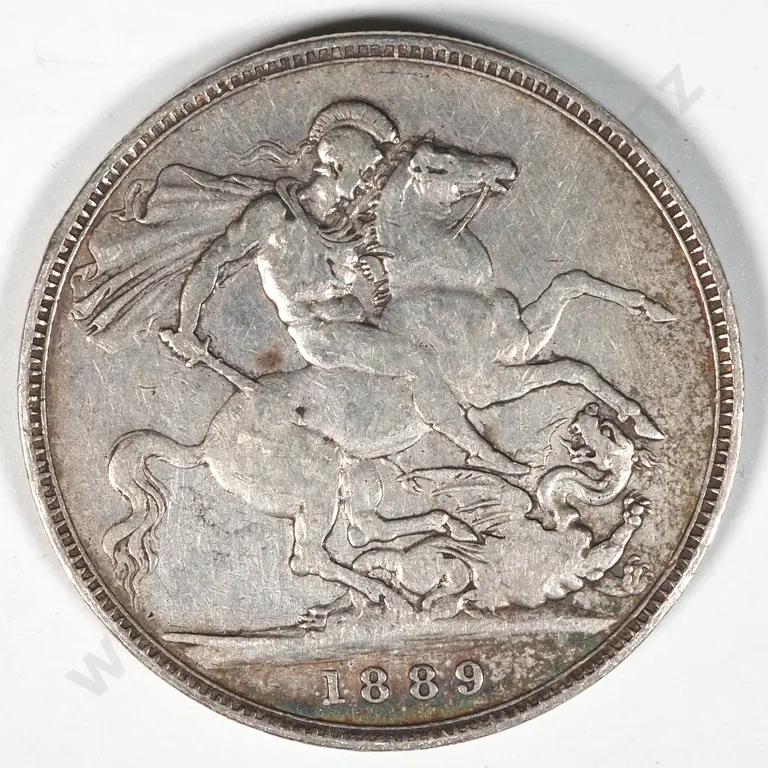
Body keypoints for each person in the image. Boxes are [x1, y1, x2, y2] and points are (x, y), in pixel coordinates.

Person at [160, 100, 526, 477]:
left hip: (354, 321)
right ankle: (480, 450)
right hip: (322, 336)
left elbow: (365, 286)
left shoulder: (346, 227)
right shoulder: (272, 215)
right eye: (365, 171)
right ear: (338, 167)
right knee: (418, 363)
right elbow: (212, 262)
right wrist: (186, 327)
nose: (370, 181)